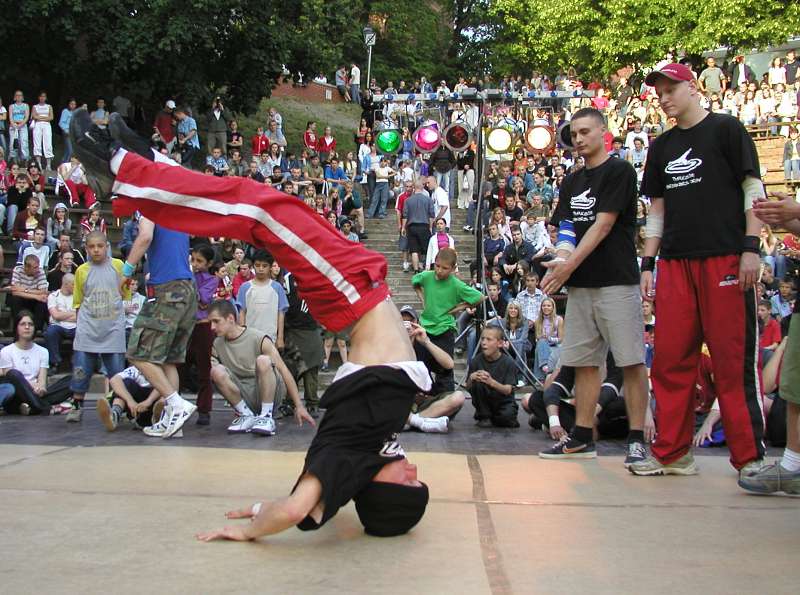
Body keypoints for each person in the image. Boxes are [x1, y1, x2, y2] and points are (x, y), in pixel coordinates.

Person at [71, 111, 431, 540]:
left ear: (384, 491)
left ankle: (121, 172)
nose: (414, 471)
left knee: (258, 209)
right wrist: (265, 509)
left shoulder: (348, 448)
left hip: (349, 293)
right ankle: (148, 161)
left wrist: (253, 528)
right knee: (263, 210)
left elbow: (297, 507)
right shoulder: (374, 445)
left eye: (409, 483)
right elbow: (309, 506)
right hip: (358, 285)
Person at [634, 62, 766, 479]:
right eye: (659, 92)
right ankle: (672, 453)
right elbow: (657, 210)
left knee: (732, 360)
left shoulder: (727, 129)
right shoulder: (661, 146)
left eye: (671, 89)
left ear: (693, 87)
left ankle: (750, 459)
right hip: (675, 262)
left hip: (725, 256)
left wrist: (751, 247)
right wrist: (648, 263)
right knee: (669, 361)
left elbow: (753, 189)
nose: (664, 98)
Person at [538, 107, 651, 466]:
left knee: (630, 360)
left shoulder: (619, 171)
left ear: (604, 132)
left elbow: (603, 225)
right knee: (583, 362)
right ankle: (583, 436)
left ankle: (637, 438)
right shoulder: (571, 181)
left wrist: (567, 267)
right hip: (582, 285)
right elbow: (567, 228)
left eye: (585, 131)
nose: (578, 139)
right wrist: (561, 258)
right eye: (574, 134)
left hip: (616, 280)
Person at [208, 300, 305, 436]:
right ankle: (245, 415)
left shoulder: (258, 338)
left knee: (263, 360)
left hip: (268, 392)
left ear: (230, 318)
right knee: (216, 371)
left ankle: (266, 416)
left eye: (216, 321)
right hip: (244, 396)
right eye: (210, 322)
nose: (212, 327)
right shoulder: (217, 344)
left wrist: (299, 405)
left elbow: (283, 370)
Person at [68, 230, 130, 422]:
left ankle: (117, 406)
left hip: (113, 329)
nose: (96, 250)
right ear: (86, 249)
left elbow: (126, 295)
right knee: (81, 370)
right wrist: (79, 329)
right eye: (92, 246)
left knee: (116, 373)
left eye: (100, 246)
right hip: (88, 329)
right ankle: (77, 404)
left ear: (107, 247)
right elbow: (78, 302)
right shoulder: (81, 271)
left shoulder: (118, 266)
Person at [413, 248, 483, 391]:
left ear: (452, 268)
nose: (439, 271)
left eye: (445, 268)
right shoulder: (427, 276)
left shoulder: (456, 284)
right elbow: (415, 281)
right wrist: (423, 298)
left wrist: (458, 308)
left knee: (445, 371)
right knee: (420, 369)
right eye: (437, 266)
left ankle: (446, 397)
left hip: (444, 329)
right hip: (425, 327)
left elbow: (479, 297)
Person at [399, 305, 464, 434]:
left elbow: (449, 364)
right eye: (403, 322)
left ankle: (411, 421)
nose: (407, 325)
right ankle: (421, 422)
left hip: (424, 401)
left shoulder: (422, 343)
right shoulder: (391, 345)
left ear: (417, 323)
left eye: (410, 321)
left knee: (458, 397)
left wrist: (426, 342)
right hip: (400, 401)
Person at [0, 311, 72, 415]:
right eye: (23, 324)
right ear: (16, 328)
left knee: (73, 380)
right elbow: (10, 378)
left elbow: (42, 381)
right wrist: (31, 386)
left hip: (35, 392)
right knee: (13, 374)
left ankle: (31, 408)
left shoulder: (43, 351)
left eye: (30, 324)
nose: (27, 327)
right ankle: (47, 408)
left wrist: (41, 388)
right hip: (16, 395)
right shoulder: (6, 351)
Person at [182, 244, 219, 425]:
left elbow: (202, 299)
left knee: (204, 369)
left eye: (200, 261)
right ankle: (173, 406)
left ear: (209, 263)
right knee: (179, 368)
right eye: (193, 260)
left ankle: (204, 409)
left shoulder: (212, 280)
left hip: (202, 327)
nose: (195, 264)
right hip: (185, 326)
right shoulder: (187, 275)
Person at [466, 326, 519, 428]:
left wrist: (491, 382)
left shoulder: (508, 362)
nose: (484, 343)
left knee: (506, 419)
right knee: (478, 382)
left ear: (500, 343)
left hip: (503, 402)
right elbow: (468, 387)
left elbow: (508, 390)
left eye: (489, 339)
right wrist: (471, 378)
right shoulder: (476, 361)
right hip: (485, 401)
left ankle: (495, 417)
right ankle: (484, 416)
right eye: (482, 339)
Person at [236, 249, 288, 346]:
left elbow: (281, 313)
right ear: (253, 266)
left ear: (270, 267)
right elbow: (242, 313)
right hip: (249, 337)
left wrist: (280, 338)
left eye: (264, 266)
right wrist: (242, 336)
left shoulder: (277, 287)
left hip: (271, 337)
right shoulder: (245, 287)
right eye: (257, 265)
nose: (260, 269)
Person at [96, 366, 167, 434]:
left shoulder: (163, 371)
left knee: (166, 392)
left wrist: (148, 401)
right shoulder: (135, 370)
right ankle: (114, 416)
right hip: (135, 409)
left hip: (152, 407)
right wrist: (130, 401)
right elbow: (114, 380)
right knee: (125, 383)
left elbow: (164, 386)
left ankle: (159, 417)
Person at [402, 179, 435, 274]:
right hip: (424, 225)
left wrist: (403, 227)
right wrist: (430, 227)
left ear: (414, 188)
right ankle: (424, 267)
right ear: (422, 187)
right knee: (426, 249)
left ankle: (416, 270)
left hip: (412, 226)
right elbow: (431, 215)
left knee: (414, 249)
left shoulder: (408, 200)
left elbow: (405, 215)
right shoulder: (428, 200)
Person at [9, 254, 49, 332]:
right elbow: (15, 292)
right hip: (23, 299)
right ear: (27, 268)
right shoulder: (17, 270)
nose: (38, 269)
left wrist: (25, 290)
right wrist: (35, 296)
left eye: (38, 266)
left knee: (42, 301)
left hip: (34, 301)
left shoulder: (40, 271)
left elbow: (43, 291)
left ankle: (37, 329)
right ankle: (17, 327)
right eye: (35, 267)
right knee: (15, 299)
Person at [45, 273, 77, 370]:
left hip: (75, 326)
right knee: (50, 332)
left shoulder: (78, 296)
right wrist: (72, 313)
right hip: (58, 326)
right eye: (73, 284)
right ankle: (55, 363)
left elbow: (81, 316)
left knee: (84, 331)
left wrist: (62, 314)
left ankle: (77, 362)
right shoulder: (53, 296)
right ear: (66, 284)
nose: (76, 287)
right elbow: (55, 315)